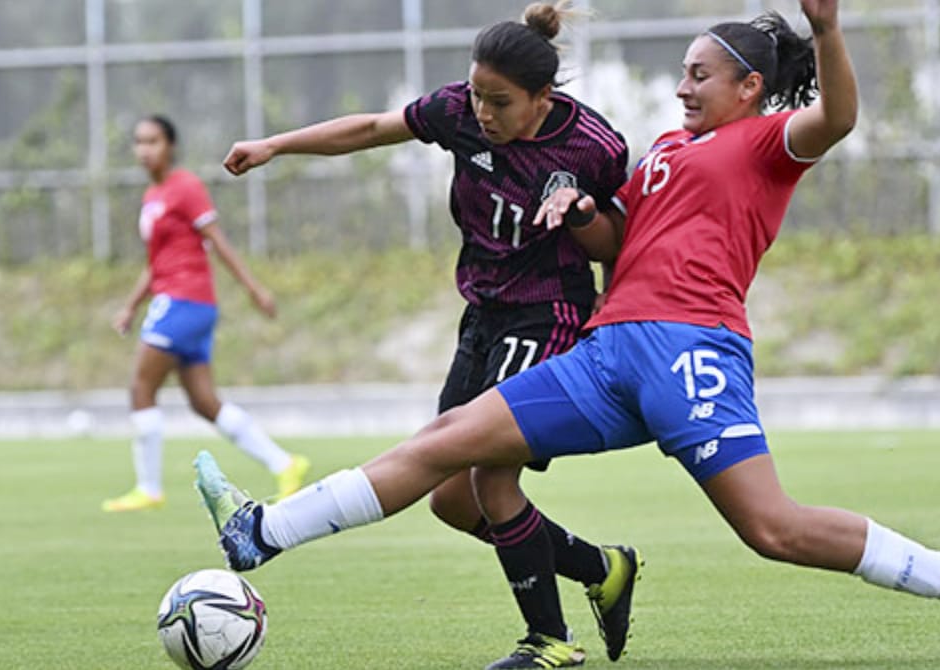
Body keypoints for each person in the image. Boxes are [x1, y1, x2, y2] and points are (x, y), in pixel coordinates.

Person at [196, 0, 940, 665]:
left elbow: (839, 119)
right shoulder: (668, 149)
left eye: (700, 75)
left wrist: (826, 32)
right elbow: (617, 242)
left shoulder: (764, 145)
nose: (682, 87)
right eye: (683, 72)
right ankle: (266, 532)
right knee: (448, 443)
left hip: (691, 351)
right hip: (607, 349)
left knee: (772, 530)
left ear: (748, 87)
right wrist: (586, 211)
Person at [218, 4, 639, 667]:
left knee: (492, 478)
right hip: (483, 316)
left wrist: (593, 248)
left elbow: (620, 237)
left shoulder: (593, 145)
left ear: (543, 100)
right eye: (475, 94)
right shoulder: (457, 113)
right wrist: (277, 144)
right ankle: (602, 568)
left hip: (548, 314)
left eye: (499, 102)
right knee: (451, 500)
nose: (482, 113)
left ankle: (551, 644)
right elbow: (370, 128)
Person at [101, 115, 310, 513]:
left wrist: (254, 289)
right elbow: (156, 263)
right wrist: (131, 305)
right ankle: (285, 464)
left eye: (153, 141)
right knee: (204, 401)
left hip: (183, 301)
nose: (145, 150)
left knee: (141, 389)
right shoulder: (153, 195)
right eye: (139, 142)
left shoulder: (185, 187)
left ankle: (148, 488)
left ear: (171, 146)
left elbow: (218, 241)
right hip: (184, 303)